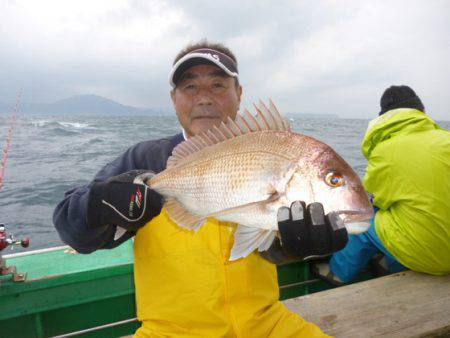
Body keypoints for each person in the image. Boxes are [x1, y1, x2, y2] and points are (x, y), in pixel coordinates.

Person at [54, 40, 348, 337]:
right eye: (190, 87)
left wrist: (295, 245)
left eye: (218, 85)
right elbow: (73, 229)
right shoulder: (144, 160)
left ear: (239, 93)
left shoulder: (272, 151)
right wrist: (96, 205)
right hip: (170, 332)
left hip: (267, 324)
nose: (204, 98)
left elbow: (269, 250)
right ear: (174, 98)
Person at [315, 85, 450, 285]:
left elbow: (368, 202)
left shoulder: (384, 151)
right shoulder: (446, 139)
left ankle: (337, 274)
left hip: (435, 258)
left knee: (364, 222)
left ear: (383, 118)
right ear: (422, 112)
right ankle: (391, 265)